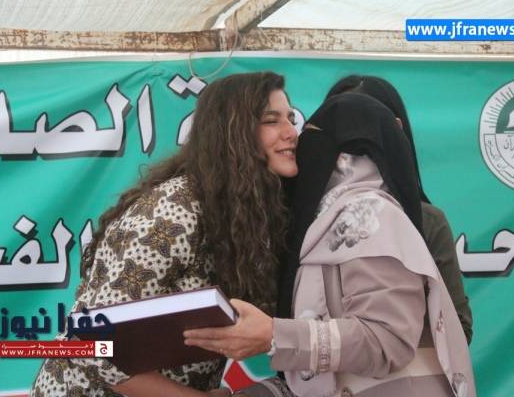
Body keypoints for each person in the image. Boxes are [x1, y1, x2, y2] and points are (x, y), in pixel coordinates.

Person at [184, 94, 475, 397]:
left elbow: (386, 340)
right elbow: (329, 373)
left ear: (343, 154)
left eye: (312, 136)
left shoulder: (372, 217)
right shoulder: (326, 223)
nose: (299, 145)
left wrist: (274, 335)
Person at [30, 71, 299, 397]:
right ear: (233, 132)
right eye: (271, 121)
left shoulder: (243, 212)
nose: (291, 132)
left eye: (291, 118)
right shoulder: (175, 211)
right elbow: (90, 342)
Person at [321, 75, 473, 343]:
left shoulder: (427, 221)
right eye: (337, 126)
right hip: (317, 368)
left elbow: (459, 329)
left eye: (361, 125)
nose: (350, 141)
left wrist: (388, 328)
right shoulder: (303, 219)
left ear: (394, 129)